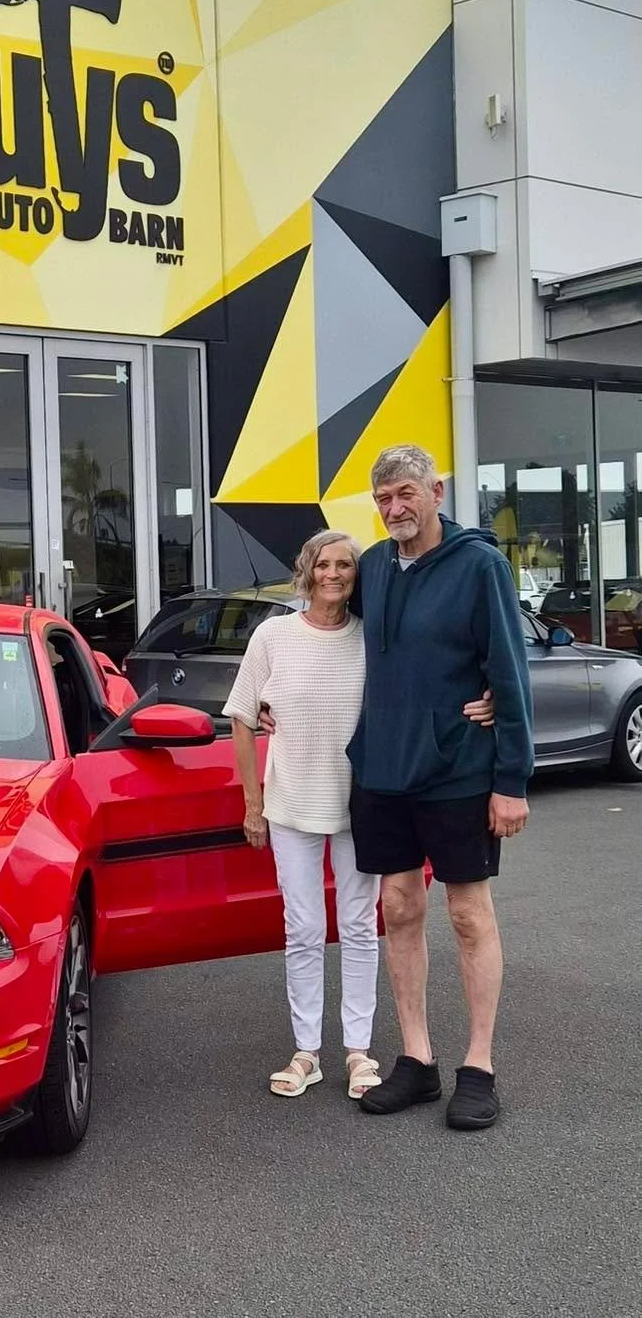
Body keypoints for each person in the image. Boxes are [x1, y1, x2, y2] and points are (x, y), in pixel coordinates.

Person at [224, 530, 494, 1100]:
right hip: (291, 802)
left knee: (360, 928)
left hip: (363, 800)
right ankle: (306, 1052)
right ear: (307, 569)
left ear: (358, 576)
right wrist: (252, 803)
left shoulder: (374, 637)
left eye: (345, 565)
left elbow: (434, 669)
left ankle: (359, 1053)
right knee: (302, 928)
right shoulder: (273, 635)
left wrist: (488, 692)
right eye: (324, 563)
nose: (334, 574)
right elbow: (243, 717)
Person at [347, 444, 532, 1131]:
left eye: (405, 494)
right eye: (383, 499)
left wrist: (510, 780)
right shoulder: (371, 567)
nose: (395, 508)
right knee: (398, 907)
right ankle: (418, 1061)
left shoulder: (481, 565)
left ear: (436, 491)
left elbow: (508, 672)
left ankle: (477, 1066)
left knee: (467, 914)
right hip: (383, 771)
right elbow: (325, 627)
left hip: (458, 769)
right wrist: (273, 698)